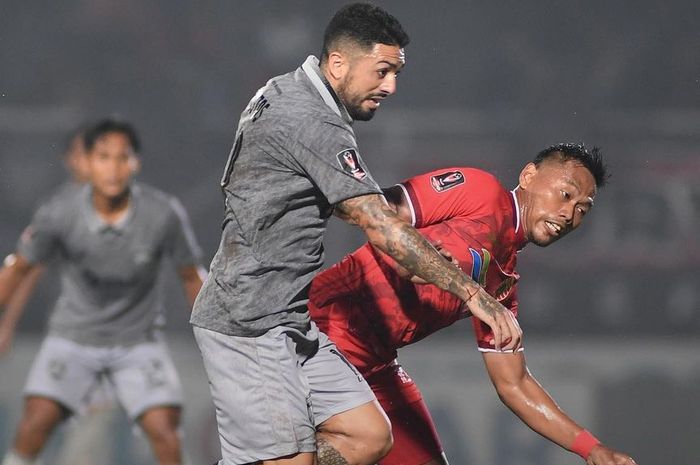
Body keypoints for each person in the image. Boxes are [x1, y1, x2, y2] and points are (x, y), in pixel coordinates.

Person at [190, 3, 521, 465]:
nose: (391, 86)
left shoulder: (285, 88)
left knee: (366, 435)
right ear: (339, 63)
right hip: (249, 321)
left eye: (397, 72)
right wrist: (470, 291)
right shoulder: (315, 123)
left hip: (290, 317)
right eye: (382, 71)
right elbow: (380, 224)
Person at [308, 144, 637, 465]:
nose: (569, 215)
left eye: (583, 209)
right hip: (327, 325)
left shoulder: (503, 281)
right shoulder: (479, 189)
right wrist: (418, 258)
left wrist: (591, 449)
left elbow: (514, 384)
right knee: (366, 441)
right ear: (528, 175)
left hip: (376, 361)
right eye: (566, 194)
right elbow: (373, 211)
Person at [0, 119, 206, 465]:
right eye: (103, 157)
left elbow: (190, 276)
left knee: (165, 431)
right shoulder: (59, 211)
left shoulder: (162, 214)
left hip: (138, 341)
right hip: (74, 337)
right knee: (35, 423)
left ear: (135, 162)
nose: (113, 168)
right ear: (86, 162)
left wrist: (212, 339)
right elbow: (20, 269)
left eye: (121, 158)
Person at [0, 128, 89, 355]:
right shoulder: (55, 209)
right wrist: (7, 324)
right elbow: (30, 268)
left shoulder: (140, 206)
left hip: (129, 334)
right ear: (68, 159)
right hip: (71, 329)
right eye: (82, 153)